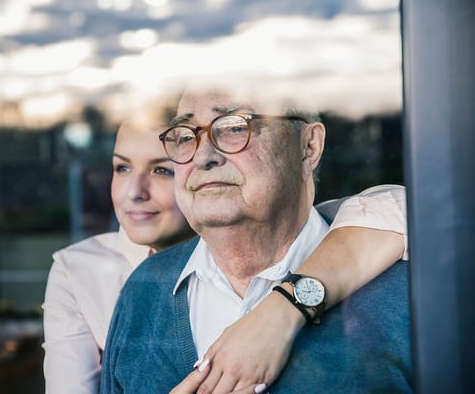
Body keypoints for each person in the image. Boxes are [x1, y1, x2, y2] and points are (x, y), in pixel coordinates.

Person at [99, 81, 411, 393]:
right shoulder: (143, 290)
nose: (203, 155)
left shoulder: (402, 289)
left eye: (234, 127)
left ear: (309, 146)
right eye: (184, 136)